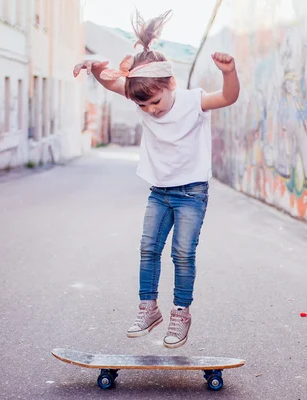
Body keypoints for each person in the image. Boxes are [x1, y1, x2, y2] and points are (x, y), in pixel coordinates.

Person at [73, 9, 239, 348]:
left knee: (182, 252)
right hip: (159, 192)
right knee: (148, 248)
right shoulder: (141, 91)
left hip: (192, 192)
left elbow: (228, 97)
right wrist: (95, 62)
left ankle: (180, 313)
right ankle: (148, 308)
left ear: (171, 84)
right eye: (143, 106)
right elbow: (110, 79)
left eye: (155, 103)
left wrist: (230, 72)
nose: (150, 110)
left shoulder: (193, 101)